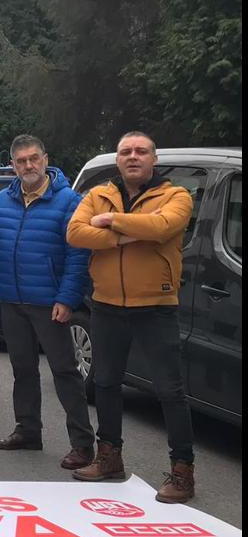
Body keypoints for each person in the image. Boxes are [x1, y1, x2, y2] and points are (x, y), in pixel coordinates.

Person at [67, 131, 196, 503]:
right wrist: (123, 236)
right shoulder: (97, 194)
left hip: (156, 305)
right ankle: (109, 458)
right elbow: (75, 233)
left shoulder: (176, 195)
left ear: (154, 159)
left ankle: (182, 471)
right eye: (126, 152)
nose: (133, 157)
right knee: (106, 383)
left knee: (170, 391)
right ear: (118, 160)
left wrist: (109, 221)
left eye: (141, 151)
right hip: (106, 303)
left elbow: (162, 228)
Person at [0, 134, 94, 470]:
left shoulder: (69, 201)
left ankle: (83, 445)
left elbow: (78, 255)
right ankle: (28, 431)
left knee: (65, 372)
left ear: (45, 159)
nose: (28, 165)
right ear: (12, 165)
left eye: (33, 159)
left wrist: (67, 298)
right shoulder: (2, 200)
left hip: (49, 302)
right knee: (23, 370)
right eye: (21, 161)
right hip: (12, 299)